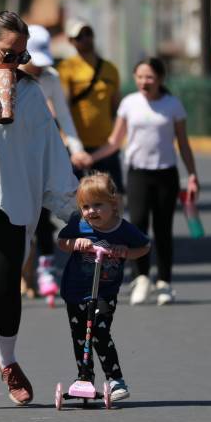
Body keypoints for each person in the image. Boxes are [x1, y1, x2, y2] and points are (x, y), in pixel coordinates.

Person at [0, 13, 77, 412]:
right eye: (9, 54)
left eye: (22, 56)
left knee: (6, 288)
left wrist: (71, 206)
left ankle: (7, 360)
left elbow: (49, 149)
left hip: (11, 199)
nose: (16, 63)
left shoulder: (31, 92)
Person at [88, 58, 200, 306]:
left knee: (163, 230)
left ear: (160, 78)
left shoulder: (173, 105)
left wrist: (192, 174)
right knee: (137, 227)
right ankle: (140, 279)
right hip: (138, 174)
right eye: (139, 77)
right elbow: (115, 141)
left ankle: (164, 283)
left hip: (165, 174)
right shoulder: (129, 103)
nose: (143, 82)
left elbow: (183, 144)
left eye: (149, 77)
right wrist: (91, 157)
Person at [56, 173, 151, 403]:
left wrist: (125, 252)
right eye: (86, 206)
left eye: (98, 205)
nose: (91, 211)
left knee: (99, 330)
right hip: (76, 290)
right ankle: (84, 378)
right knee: (80, 336)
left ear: (113, 203)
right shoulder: (79, 223)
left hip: (104, 292)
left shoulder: (123, 229)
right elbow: (62, 241)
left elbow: (144, 246)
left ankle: (116, 378)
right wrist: (75, 243)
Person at [19, 25, 83, 300]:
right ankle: (20, 273)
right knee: (17, 218)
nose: (38, 68)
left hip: (42, 153)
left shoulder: (50, 78)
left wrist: (76, 147)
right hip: (14, 156)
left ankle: (45, 268)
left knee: (44, 214)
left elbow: (65, 118)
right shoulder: (7, 76)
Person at [58, 21, 123, 190]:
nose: (85, 39)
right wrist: (67, 141)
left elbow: (116, 107)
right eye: (79, 36)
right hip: (77, 145)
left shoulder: (111, 68)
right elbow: (60, 106)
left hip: (105, 145)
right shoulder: (66, 68)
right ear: (71, 41)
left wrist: (115, 138)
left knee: (112, 196)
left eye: (88, 34)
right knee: (78, 198)